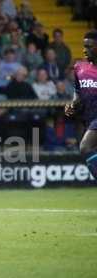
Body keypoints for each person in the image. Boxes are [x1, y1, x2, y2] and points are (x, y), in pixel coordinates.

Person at [65, 30, 97, 179]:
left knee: (85, 146)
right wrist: (72, 105)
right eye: (84, 46)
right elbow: (77, 91)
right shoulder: (79, 68)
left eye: (89, 46)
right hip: (89, 118)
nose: (85, 50)